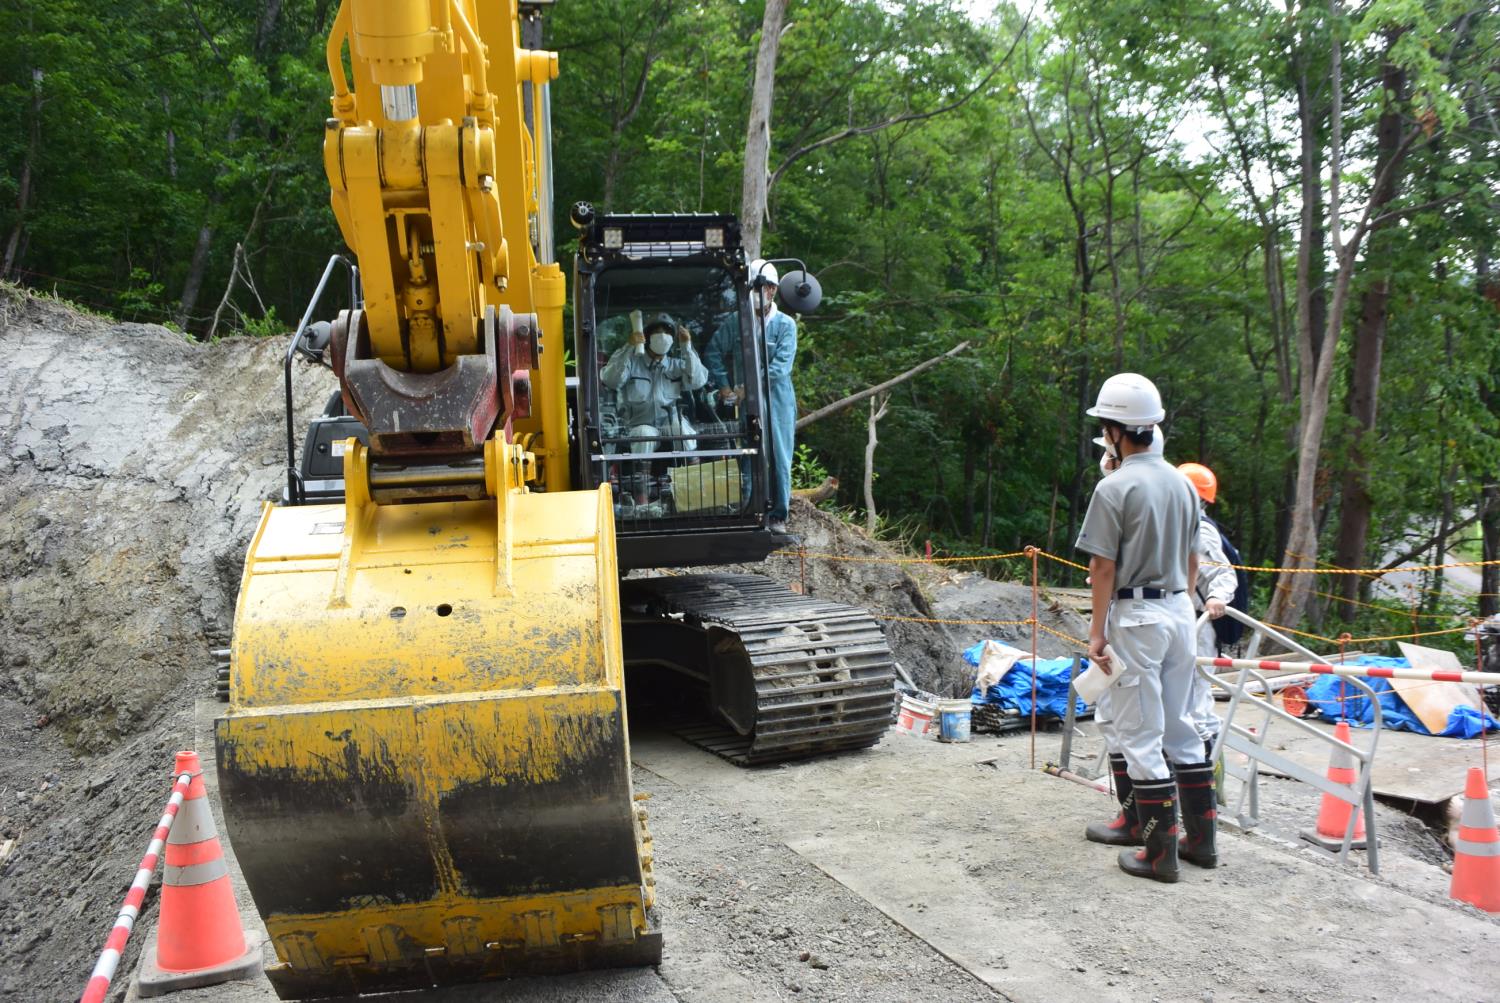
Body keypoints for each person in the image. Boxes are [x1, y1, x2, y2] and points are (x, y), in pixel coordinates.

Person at [1076, 373, 1210, 882]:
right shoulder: (1182, 481)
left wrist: (1096, 632)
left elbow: (1103, 568)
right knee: (1180, 725)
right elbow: (1194, 559)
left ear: (1114, 429)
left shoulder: (1115, 487)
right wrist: (1184, 606)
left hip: (1139, 614)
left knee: (1137, 732)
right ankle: (1201, 842)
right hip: (1180, 610)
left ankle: (1157, 853)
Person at [1178, 462, 1236, 768]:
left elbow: (1224, 575)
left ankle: (1205, 778)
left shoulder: (1201, 530)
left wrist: (1216, 597)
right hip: (1181, 622)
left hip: (1199, 626)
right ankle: (1196, 778)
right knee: (1186, 700)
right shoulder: (1178, 523)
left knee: (1196, 701)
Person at [600, 310, 707, 436]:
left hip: (670, 423)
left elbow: (697, 382)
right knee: (644, 433)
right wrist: (629, 346)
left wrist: (686, 347)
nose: (662, 336)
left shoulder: (677, 365)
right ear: (647, 337)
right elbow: (611, 380)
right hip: (638, 426)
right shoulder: (632, 363)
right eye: (657, 332)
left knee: (683, 430)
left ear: (672, 339)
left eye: (667, 333)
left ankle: (687, 457)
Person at [749, 259, 798, 535]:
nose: (759, 292)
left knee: (778, 453)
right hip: (747, 399)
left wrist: (750, 382)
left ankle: (778, 514)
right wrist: (725, 385)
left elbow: (781, 368)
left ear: (773, 290)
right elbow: (716, 353)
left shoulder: (785, 325)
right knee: (748, 453)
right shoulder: (738, 322)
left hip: (776, 399)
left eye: (764, 287)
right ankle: (749, 509)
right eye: (755, 287)